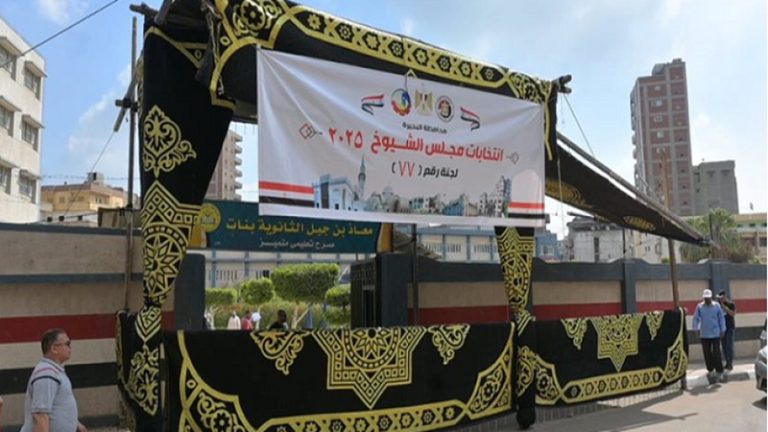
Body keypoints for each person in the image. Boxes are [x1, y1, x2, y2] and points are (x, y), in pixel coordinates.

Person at [20, 328, 87, 432]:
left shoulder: (55, 372)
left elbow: (57, 404)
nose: (70, 348)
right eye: (67, 344)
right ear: (54, 348)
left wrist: (75, 424)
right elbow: (40, 415)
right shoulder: (46, 373)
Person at [692, 289, 726, 383]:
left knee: (716, 353)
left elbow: (721, 318)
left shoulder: (716, 306)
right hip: (704, 334)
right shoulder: (700, 306)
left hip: (715, 333)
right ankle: (710, 370)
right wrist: (696, 329)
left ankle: (720, 371)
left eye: (708, 298)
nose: (707, 300)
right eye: (705, 298)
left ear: (711, 297)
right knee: (707, 353)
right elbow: (696, 318)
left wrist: (723, 329)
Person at [717, 290, 737, 370]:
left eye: (722, 298)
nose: (720, 299)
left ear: (725, 296)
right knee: (724, 346)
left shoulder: (731, 304)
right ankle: (726, 362)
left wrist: (725, 308)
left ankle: (730, 363)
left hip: (729, 327)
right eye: (719, 298)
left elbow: (733, 314)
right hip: (722, 329)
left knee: (729, 346)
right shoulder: (717, 305)